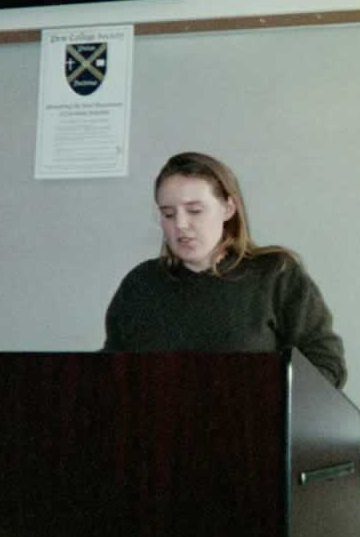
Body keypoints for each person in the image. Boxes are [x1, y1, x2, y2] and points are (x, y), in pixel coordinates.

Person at [103, 151, 346, 388]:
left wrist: (273, 402)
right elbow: (111, 371)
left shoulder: (275, 274)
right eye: (168, 214)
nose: (180, 224)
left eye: (195, 211)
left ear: (228, 209)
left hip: (253, 425)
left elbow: (325, 362)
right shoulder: (142, 283)